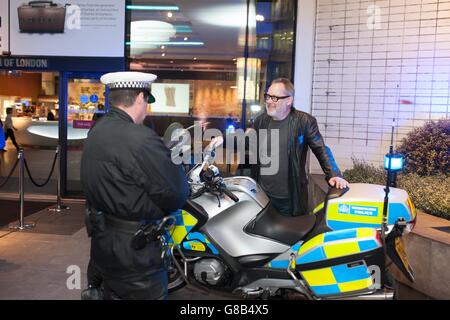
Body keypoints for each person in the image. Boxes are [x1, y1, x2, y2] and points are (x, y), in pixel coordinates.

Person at [80, 71, 189, 300]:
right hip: (135, 255)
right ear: (140, 97)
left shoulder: (96, 131)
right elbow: (177, 194)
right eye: (146, 102)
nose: (146, 108)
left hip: (102, 246)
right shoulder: (141, 138)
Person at [251, 78, 348, 216]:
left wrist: (333, 174)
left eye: (274, 98)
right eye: (267, 96)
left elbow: (321, 149)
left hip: (289, 200)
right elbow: (249, 144)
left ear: (289, 100)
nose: (268, 101)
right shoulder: (261, 121)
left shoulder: (304, 121)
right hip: (262, 196)